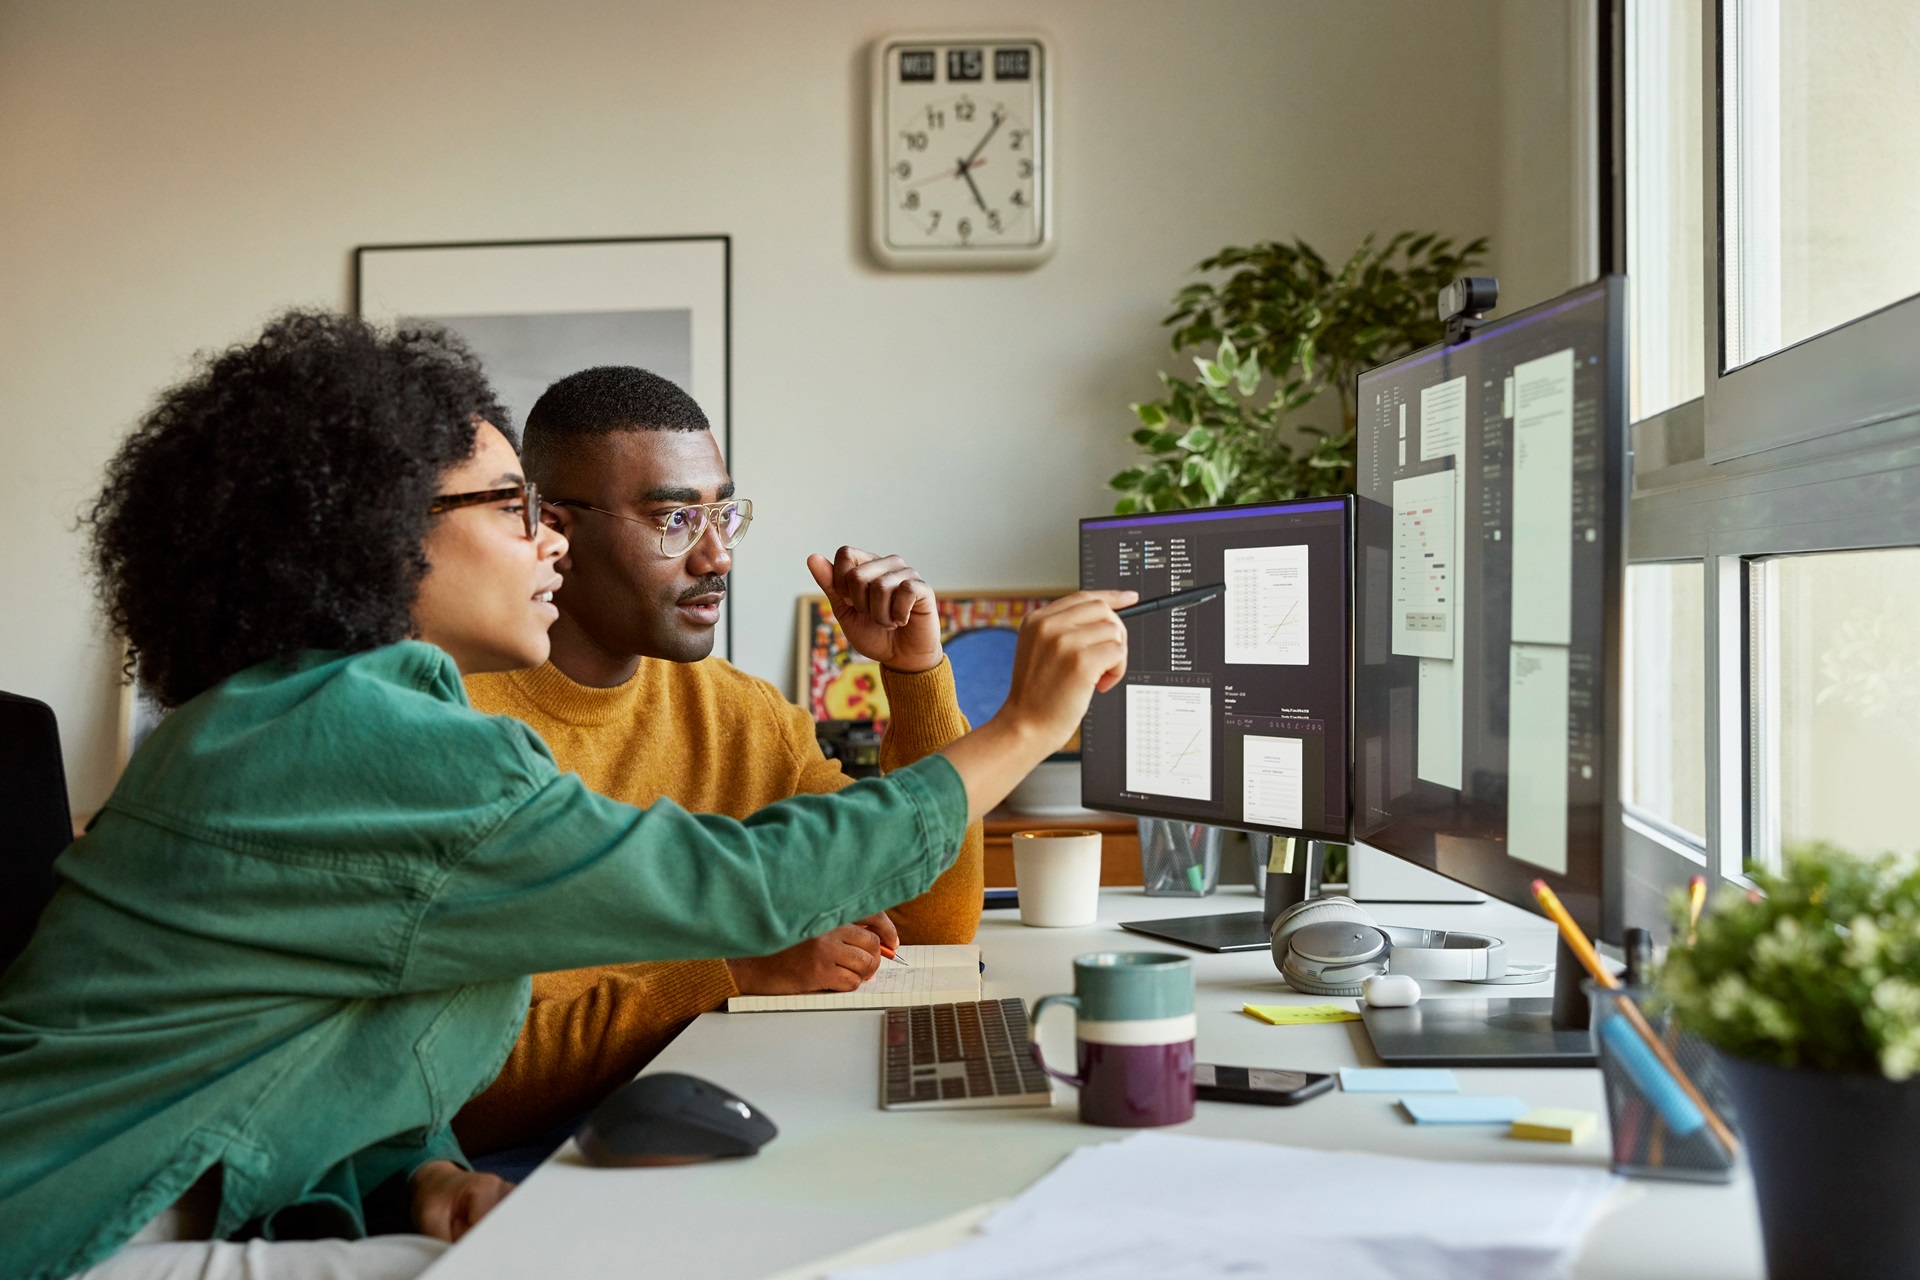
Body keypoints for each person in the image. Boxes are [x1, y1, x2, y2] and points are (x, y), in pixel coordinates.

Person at [0, 312, 1133, 1280]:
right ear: (383, 530)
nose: (546, 539)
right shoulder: (358, 732)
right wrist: (1025, 726)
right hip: (70, 1245)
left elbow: (319, 1046)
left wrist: (422, 1175)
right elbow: (743, 884)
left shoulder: (306, 713)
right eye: (511, 507)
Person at [451, 367, 982, 1154]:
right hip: (534, 1159)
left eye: (724, 516)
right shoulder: (451, 725)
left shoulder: (740, 713)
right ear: (553, 530)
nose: (717, 558)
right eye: (673, 520)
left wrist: (914, 678)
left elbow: (930, 923)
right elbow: (465, 1087)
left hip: (712, 1101)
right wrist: (735, 972)